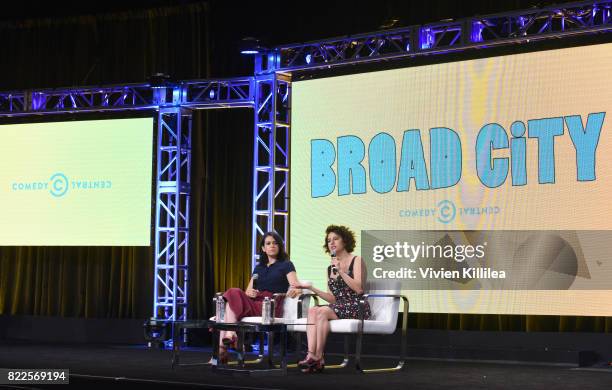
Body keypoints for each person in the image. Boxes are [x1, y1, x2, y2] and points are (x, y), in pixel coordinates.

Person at [215, 231, 302, 363]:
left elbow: (296, 286)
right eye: (268, 243)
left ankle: (223, 348)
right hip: (255, 301)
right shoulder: (259, 268)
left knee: (230, 302)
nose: (272, 246)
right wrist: (251, 293)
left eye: (275, 243)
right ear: (263, 248)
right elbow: (248, 290)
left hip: (270, 304)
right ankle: (229, 337)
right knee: (233, 294)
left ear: (280, 247)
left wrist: (294, 291)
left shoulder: (286, 264)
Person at [295, 225, 371, 373]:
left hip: (357, 305)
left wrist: (341, 271)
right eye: (329, 240)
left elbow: (359, 289)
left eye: (336, 238)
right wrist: (312, 288)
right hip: (340, 306)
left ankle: (317, 357)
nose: (332, 242)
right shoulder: (330, 269)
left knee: (322, 312)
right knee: (313, 310)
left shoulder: (356, 260)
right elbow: (332, 299)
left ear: (345, 241)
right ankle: (312, 356)